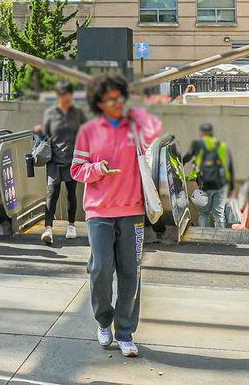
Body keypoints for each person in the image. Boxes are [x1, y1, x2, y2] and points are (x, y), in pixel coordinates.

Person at [71, 73, 162, 360]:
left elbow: (155, 126)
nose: (116, 103)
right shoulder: (88, 131)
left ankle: (125, 332)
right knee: (100, 268)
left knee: (130, 272)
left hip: (132, 211)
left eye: (120, 97)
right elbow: (76, 170)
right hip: (98, 211)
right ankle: (103, 320)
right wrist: (97, 169)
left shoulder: (135, 129)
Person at [37, 81, 85, 245]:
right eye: (62, 95)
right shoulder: (51, 113)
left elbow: (85, 134)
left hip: (72, 159)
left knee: (71, 193)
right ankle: (48, 228)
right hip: (54, 160)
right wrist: (39, 133)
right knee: (52, 193)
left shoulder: (78, 114)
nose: (65, 98)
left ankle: (71, 225)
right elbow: (45, 135)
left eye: (67, 94)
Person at [185, 122, 234, 229]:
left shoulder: (197, 144)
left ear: (202, 133)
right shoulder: (222, 145)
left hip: (206, 184)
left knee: (204, 213)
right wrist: (231, 187)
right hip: (221, 184)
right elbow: (229, 167)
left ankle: (204, 235)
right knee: (219, 214)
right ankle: (221, 235)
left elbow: (186, 158)